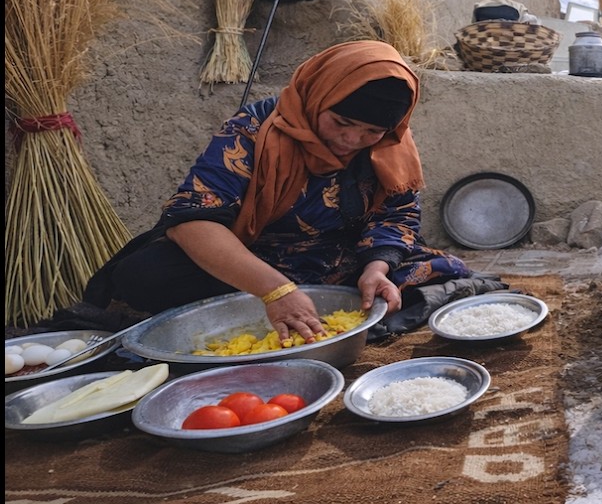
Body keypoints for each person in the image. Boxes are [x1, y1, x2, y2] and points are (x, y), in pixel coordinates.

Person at [81, 40, 477, 342]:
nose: (351, 139)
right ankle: (290, 296)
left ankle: (332, 289)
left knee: (429, 270)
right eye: (341, 122)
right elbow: (193, 222)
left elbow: (397, 214)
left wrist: (377, 268)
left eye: (370, 131)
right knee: (146, 276)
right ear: (320, 95)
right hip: (252, 253)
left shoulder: (389, 143)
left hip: (337, 255)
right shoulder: (254, 129)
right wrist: (274, 290)